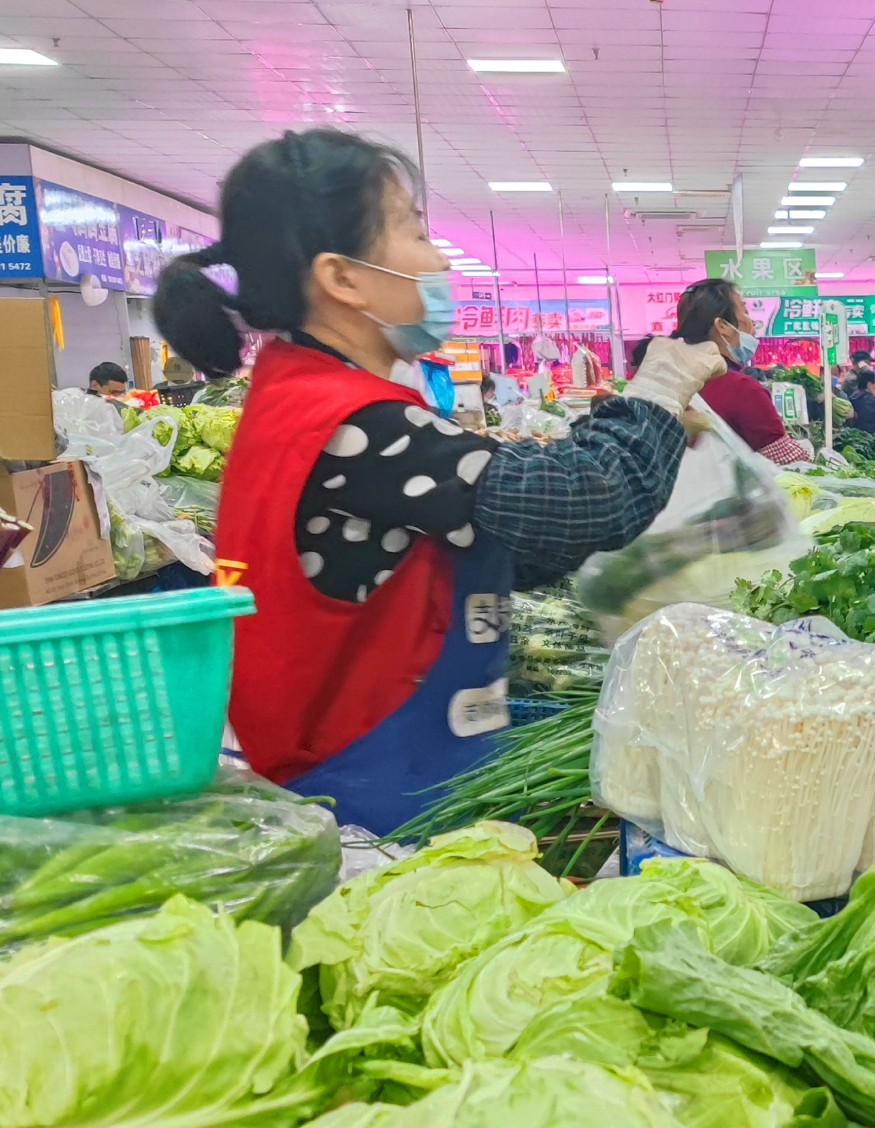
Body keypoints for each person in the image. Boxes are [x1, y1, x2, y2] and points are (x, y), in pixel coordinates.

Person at [154, 128, 704, 832]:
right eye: (415, 232)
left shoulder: (306, 398)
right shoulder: (351, 425)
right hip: (369, 805)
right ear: (342, 277)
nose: (438, 258)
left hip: (389, 779)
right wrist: (655, 392)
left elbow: (495, 536)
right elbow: (582, 498)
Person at [672, 279, 809, 466]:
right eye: (745, 311)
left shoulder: (670, 383)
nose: (752, 323)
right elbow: (789, 463)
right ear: (722, 326)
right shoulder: (741, 390)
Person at [847, 369, 875, 434]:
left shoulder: (852, 397)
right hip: (872, 438)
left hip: (856, 436)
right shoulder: (871, 400)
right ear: (869, 385)